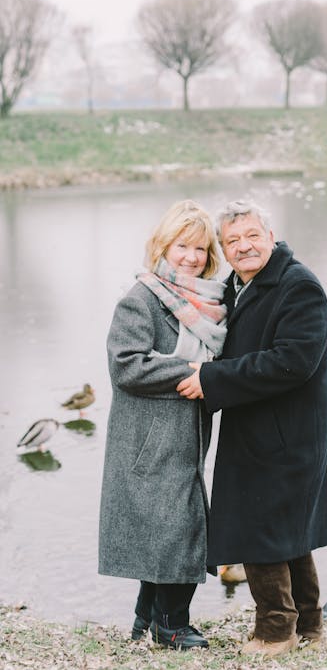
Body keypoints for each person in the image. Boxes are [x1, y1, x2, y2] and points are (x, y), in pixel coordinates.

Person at [177, 200, 327, 658]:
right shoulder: (239, 284)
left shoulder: (298, 286)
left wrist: (210, 378)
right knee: (288, 532)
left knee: (259, 529)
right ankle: (308, 626)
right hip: (260, 426)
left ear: (270, 236)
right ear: (225, 250)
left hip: (286, 434)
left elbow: (293, 363)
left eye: (252, 235)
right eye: (232, 241)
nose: (243, 246)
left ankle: (275, 632)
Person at [98, 199, 226, 651]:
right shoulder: (141, 300)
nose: (191, 256)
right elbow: (126, 367)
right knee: (178, 529)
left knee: (169, 529)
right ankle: (171, 627)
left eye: (200, 249)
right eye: (182, 246)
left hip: (185, 437)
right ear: (163, 246)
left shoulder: (208, 302)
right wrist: (190, 372)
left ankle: (144, 621)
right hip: (148, 441)